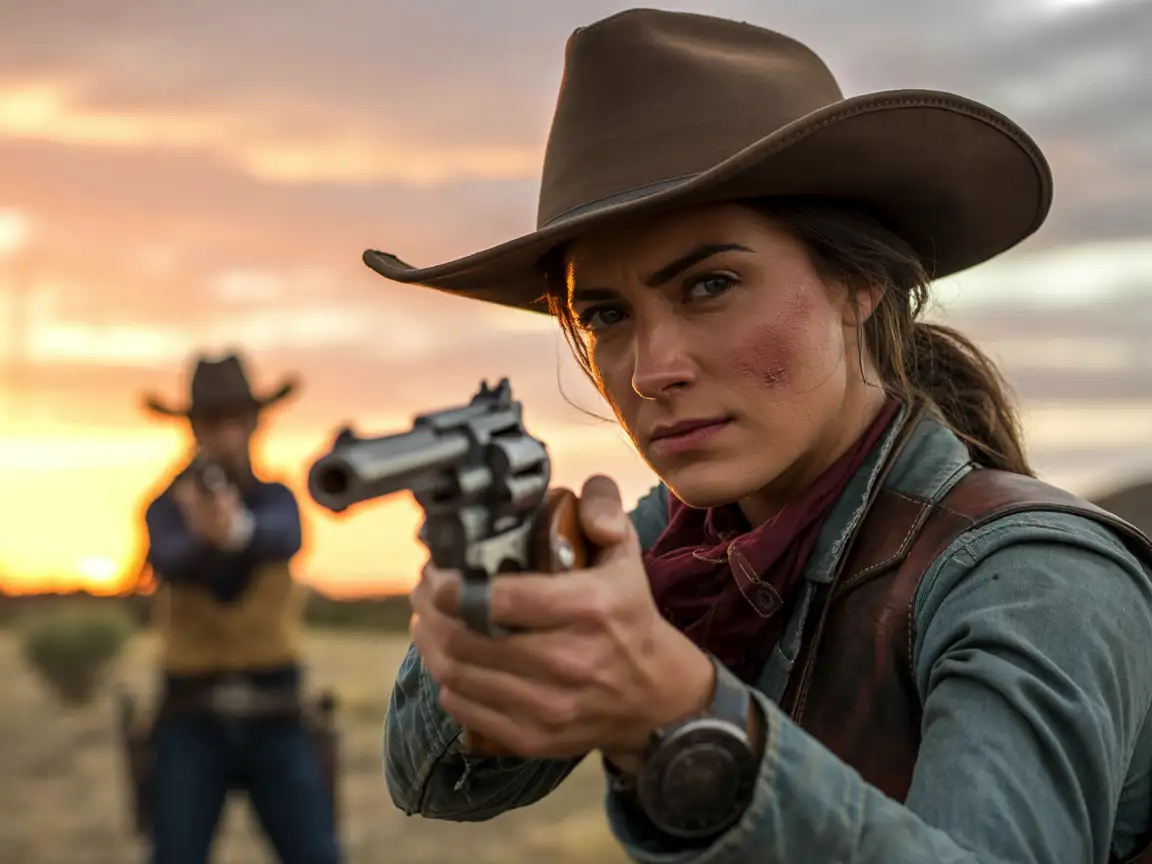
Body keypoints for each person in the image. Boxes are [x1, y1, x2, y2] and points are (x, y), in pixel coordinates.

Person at [372, 9, 1152, 864]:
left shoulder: (1038, 579)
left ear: (859, 281)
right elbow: (437, 787)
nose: (649, 370)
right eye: (605, 314)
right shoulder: (670, 544)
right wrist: (490, 620)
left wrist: (686, 719)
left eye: (711, 284)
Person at [135, 352, 341, 864]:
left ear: (253, 423)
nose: (225, 433)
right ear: (194, 428)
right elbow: (168, 556)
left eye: (235, 419)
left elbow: (285, 535)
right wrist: (210, 539)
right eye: (213, 421)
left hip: (279, 715)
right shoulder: (165, 506)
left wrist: (235, 532)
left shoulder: (277, 499)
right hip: (189, 719)